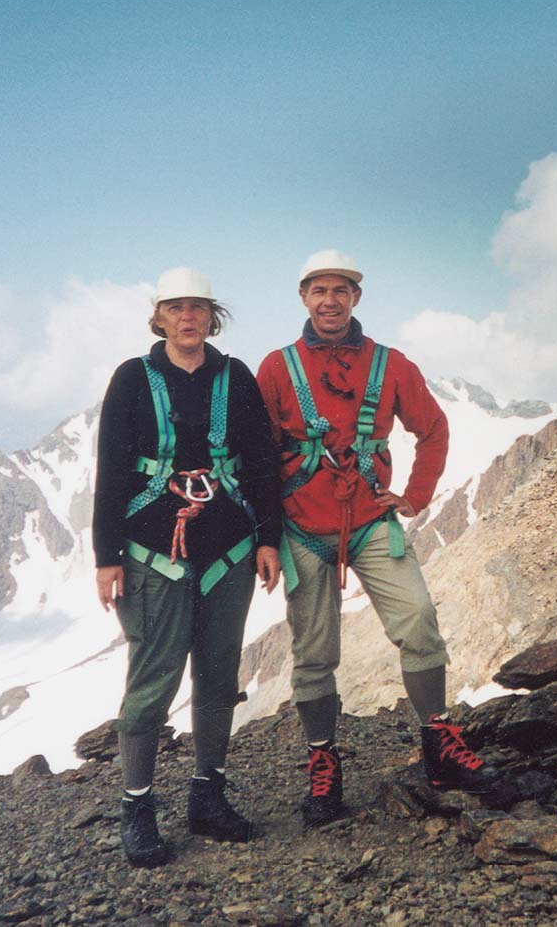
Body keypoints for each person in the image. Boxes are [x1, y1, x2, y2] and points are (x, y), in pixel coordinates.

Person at [255, 249, 496, 827]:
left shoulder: (391, 365)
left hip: (369, 520)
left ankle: (439, 743)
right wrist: (264, 533)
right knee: (314, 652)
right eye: (319, 291)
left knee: (416, 618)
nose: (330, 301)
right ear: (304, 299)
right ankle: (323, 762)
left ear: (356, 298)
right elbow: (255, 454)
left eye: (340, 290)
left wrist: (415, 495)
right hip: (302, 529)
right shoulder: (276, 368)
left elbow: (432, 428)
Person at [93, 267, 282, 866]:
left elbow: (260, 462)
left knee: (219, 677)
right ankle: (137, 807)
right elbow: (113, 468)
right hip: (154, 553)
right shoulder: (132, 379)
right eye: (176, 307)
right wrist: (106, 556)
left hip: (227, 551)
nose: (188, 316)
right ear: (159, 317)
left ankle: (208, 796)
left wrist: (267, 539)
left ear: (211, 315)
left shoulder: (236, 377)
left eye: (198, 306)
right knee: (152, 680)